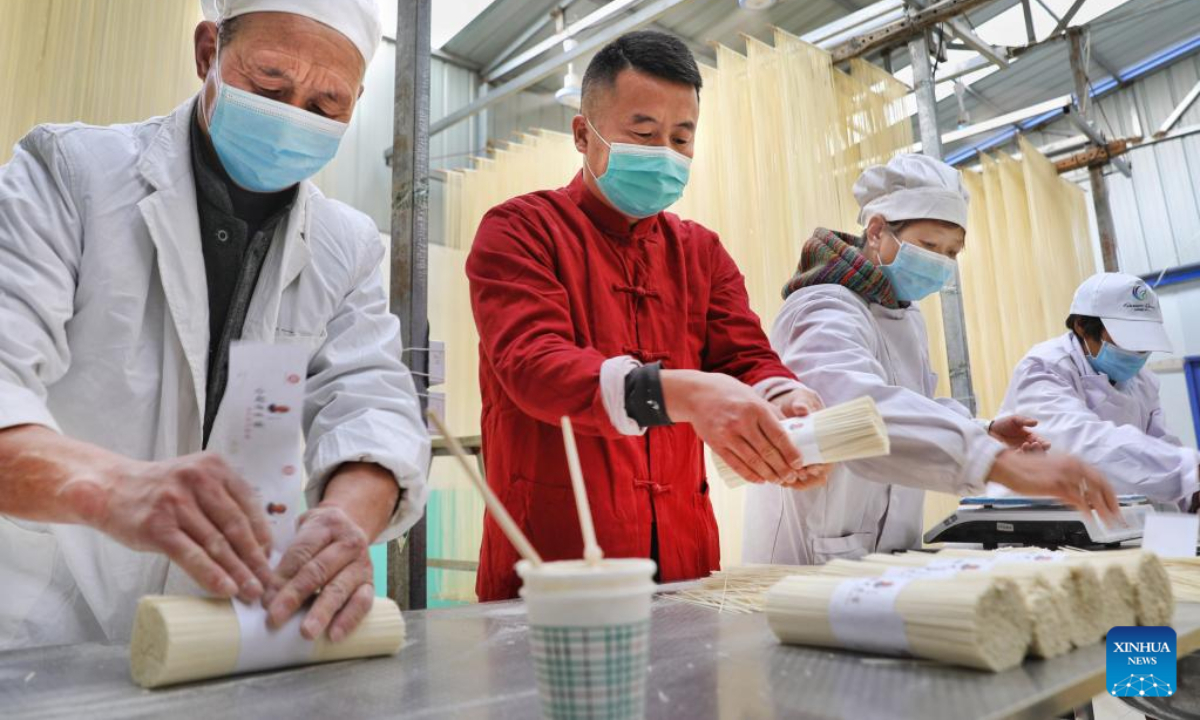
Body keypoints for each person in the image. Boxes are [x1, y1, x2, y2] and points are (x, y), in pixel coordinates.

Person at [0, 0, 430, 649]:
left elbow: (372, 407)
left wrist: (344, 520)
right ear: (208, 52)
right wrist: (116, 491)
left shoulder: (347, 245)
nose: (293, 118)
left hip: (226, 630)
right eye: (269, 85)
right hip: (47, 619)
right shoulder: (70, 175)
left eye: (326, 106)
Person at [466, 31, 830, 601]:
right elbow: (535, 365)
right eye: (643, 133)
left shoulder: (700, 252)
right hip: (555, 564)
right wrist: (678, 394)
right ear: (584, 135)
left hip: (687, 558)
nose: (665, 152)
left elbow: (746, 357)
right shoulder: (521, 230)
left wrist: (785, 403)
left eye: (681, 138)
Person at [743, 154, 1121, 565]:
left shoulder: (905, 315)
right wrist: (991, 460)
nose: (941, 262)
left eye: (952, 253)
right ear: (876, 231)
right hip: (813, 549)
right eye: (928, 246)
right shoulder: (822, 307)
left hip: (883, 549)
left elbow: (914, 406)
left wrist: (985, 430)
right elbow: (857, 413)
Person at [995, 272, 1199, 511]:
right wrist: (1190, 467)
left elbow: (1162, 445)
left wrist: (1192, 495)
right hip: (1038, 517)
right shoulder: (1044, 367)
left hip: (1113, 517)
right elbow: (1087, 445)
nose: (1139, 352)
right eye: (1130, 340)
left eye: (1145, 343)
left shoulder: (1143, 380)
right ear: (1082, 325)